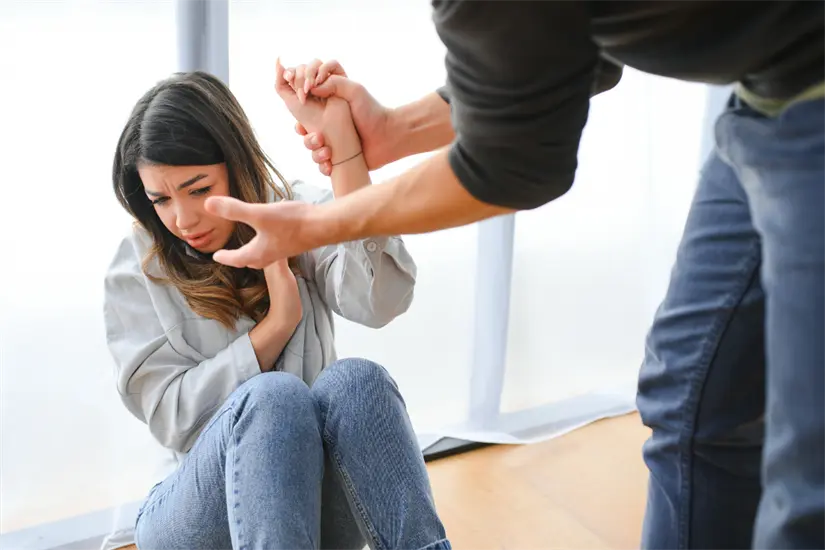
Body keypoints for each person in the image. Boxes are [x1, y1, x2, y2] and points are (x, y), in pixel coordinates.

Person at [202, 3, 825, 549]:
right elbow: (557, 54)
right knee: (689, 404)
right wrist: (388, 133)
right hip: (770, 92)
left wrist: (318, 224)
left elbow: (514, 167)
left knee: (809, 475)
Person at [102, 66, 452, 550]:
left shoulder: (294, 211)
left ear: (235, 162)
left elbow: (381, 300)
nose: (183, 219)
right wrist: (278, 322)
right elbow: (173, 419)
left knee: (357, 380)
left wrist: (344, 149)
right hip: (198, 512)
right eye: (161, 199)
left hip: (312, 510)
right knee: (273, 398)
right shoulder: (138, 264)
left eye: (200, 189)